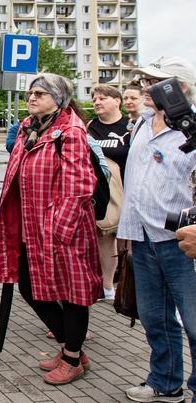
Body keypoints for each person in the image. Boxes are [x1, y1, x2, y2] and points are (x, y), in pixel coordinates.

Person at [0, 73, 102, 385]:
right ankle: (72, 350)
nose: (32, 98)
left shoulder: (70, 131)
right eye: (30, 93)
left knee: (72, 292)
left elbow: (80, 184)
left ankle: (72, 357)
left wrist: (59, 229)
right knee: (29, 287)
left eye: (40, 93)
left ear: (59, 97)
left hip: (62, 230)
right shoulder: (30, 127)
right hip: (30, 226)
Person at [117, 56, 196, 403]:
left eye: (157, 81)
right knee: (154, 317)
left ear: (180, 88)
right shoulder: (141, 125)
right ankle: (165, 383)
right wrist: (127, 235)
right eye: (146, 80)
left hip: (182, 244)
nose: (147, 87)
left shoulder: (191, 130)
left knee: (194, 322)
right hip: (144, 238)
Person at [87, 85, 130, 301]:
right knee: (103, 236)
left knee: (121, 239)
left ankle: (118, 283)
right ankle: (103, 285)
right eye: (94, 99)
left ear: (117, 101)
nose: (97, 102)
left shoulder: (128, 126)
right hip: (102, 191)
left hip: (125, 189)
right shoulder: (91, 126)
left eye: (103, 98)